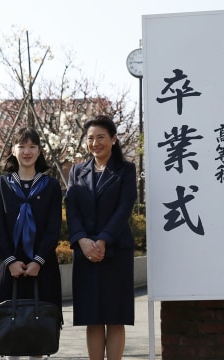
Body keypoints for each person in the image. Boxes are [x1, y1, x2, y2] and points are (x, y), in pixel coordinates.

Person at [0, 127, 63, 360]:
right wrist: (11, 260)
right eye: (22, 146)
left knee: (40, 329)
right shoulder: (2, 184)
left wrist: (38, 260)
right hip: (9, 266)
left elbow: (53, 227)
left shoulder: (51, 185)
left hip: (42, 265)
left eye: (32, 146)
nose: (27, 151)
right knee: (9, 328)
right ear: (13, 150)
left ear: (39, 151)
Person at [64, 115, 137, 360]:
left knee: (115, 318)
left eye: (101, 137)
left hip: (116, 251)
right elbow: (71, 209)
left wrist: (103, 239)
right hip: (85, 254)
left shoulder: (126, 170)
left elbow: (124, 208)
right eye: (90, 138)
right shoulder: (76, 171)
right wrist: (82, 241)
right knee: (92, 319)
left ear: (113, 139)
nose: (95, 143)